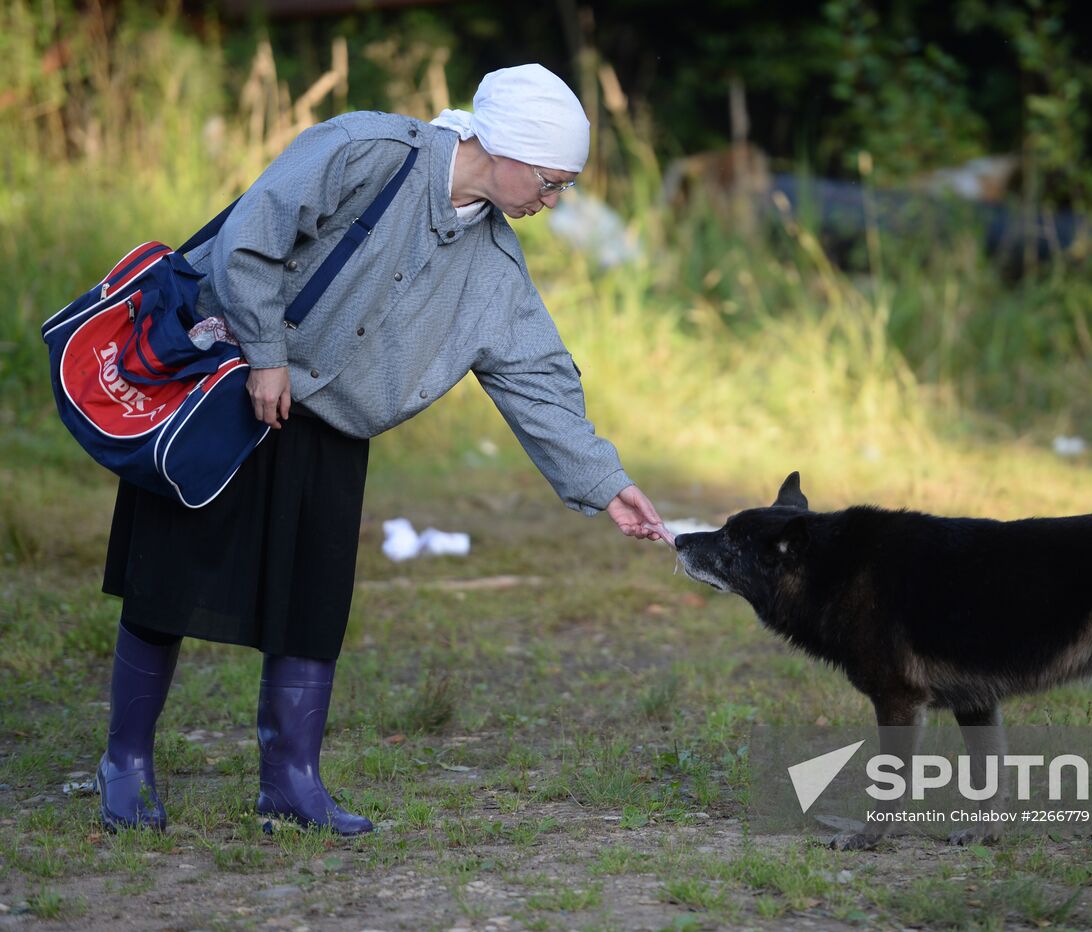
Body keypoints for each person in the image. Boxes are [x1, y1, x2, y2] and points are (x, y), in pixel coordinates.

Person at [98, 64, 666, 835]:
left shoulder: (496, 268)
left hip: (331, 427)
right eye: (551, 180)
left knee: (312, 604)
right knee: (168, 577)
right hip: (226, 386)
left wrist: (605, 482)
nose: (553, 200)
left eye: (563, 185)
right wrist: (265, 355)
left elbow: (537, 378)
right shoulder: (367, 148)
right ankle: (125, 764)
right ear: (505, 150)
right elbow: (253, 233)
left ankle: (292, 784)